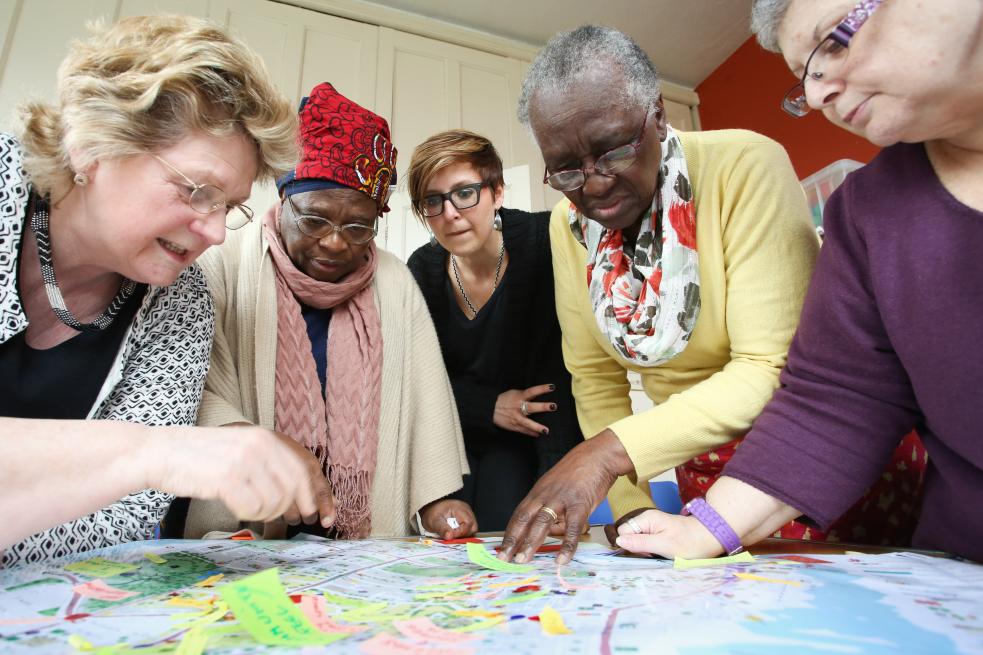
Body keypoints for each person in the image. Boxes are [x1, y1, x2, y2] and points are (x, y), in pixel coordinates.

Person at [498, 24, 927, 566]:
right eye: (565, 168)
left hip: (813, 450)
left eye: (612, 150)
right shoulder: (568, 225)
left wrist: (604, 454)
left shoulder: (745, 165)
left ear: (656, 113)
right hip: (697, 465)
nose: (595, 184)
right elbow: (594, 379)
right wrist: (630, 509)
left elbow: (771, 366)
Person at [613, 0, 983, 563]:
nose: (815, 96)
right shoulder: (866, 212)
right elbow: (836, 400)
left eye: (834, 40)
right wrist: (705, 529)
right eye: (802, 78)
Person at [0, 15, 335, 567]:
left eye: (228, 206)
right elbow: (142, 467)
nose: (215, 231)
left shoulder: (183, 302)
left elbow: (124, 518)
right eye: (197, 190)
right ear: (91, 145)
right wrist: (150, 450)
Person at [177, 83, 473, 541]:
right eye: (315, 219)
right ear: (283, 201)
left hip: (359, 534)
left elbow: (425, 398)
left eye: (358, 227)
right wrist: (254, 446)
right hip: (247, 522)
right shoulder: (223, 262)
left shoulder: (394, 280)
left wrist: (435, 499)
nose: (336, 242)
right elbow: (192, 388)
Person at [405, 130, 584, 531]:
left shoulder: (544, 242)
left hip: (529, 442)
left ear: (497, 192)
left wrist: (559, 487)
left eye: (465, 192)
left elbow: (557, 380)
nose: (450, 212)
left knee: (514, 528)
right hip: (450, 439)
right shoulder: (420, 270)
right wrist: (488, 406)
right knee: (448, 540)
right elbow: (417, 381)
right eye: (433, 201)